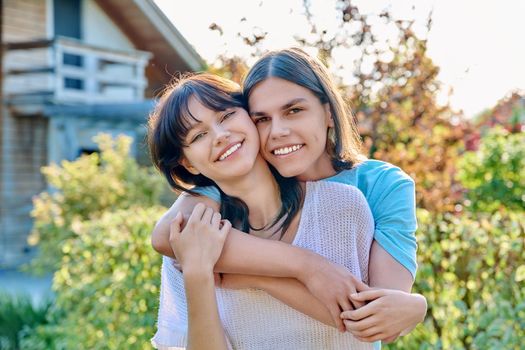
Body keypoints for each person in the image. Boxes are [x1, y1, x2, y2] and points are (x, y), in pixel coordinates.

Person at [151, 48, 427, 344]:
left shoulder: (368, 192)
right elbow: (169, 234)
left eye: (294, 110)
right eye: (262, 119)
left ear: (328, 112)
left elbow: (373, 315)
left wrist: (417, 306)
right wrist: (305, 266)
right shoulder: (225, 187)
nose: (278, 131)